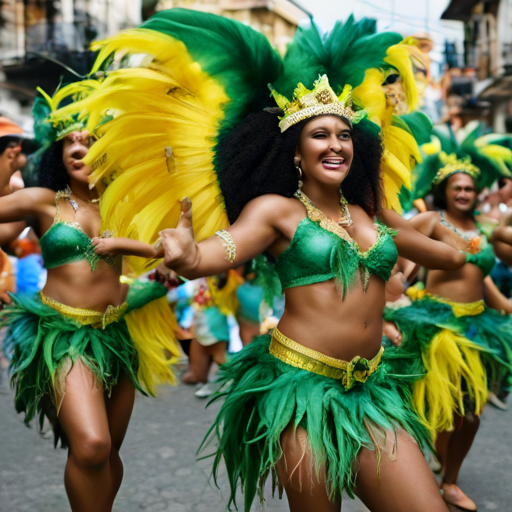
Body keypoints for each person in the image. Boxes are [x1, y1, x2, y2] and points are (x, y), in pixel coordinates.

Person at [51, 10, 470, 511]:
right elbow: (216, 251)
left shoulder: (371, 212)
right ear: (295, 152)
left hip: (371, 386)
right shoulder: (275, 212)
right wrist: (186, 251)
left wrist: (435, 219)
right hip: (301, 389)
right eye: (320, 135)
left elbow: (446, 256)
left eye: (344, 136)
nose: (335, 144)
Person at [1, 84, 180, 512]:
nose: (78, 148)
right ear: (58, 154)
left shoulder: (128, 206)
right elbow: (6, 233)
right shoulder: (45, 202)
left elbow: (175, 247)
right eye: (70, 142)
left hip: (115, 336)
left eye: (90, 139)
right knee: (93, 444)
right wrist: (5, 169)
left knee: (107, 452)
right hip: (60, 335)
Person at [385, 131, 512, 511]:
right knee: (431, 408)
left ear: (477, 193)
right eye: (457, 187)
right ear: (444, 190)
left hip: (476, 328)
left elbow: (482, 277)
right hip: (435, 326)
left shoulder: (486, 228)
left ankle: (450, 482)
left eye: (470, 189)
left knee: (469, 415)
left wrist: (504, 304)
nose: (463, 194)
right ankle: (420, 474)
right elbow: (396, 247)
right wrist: (396, 288)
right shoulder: (431, 219)